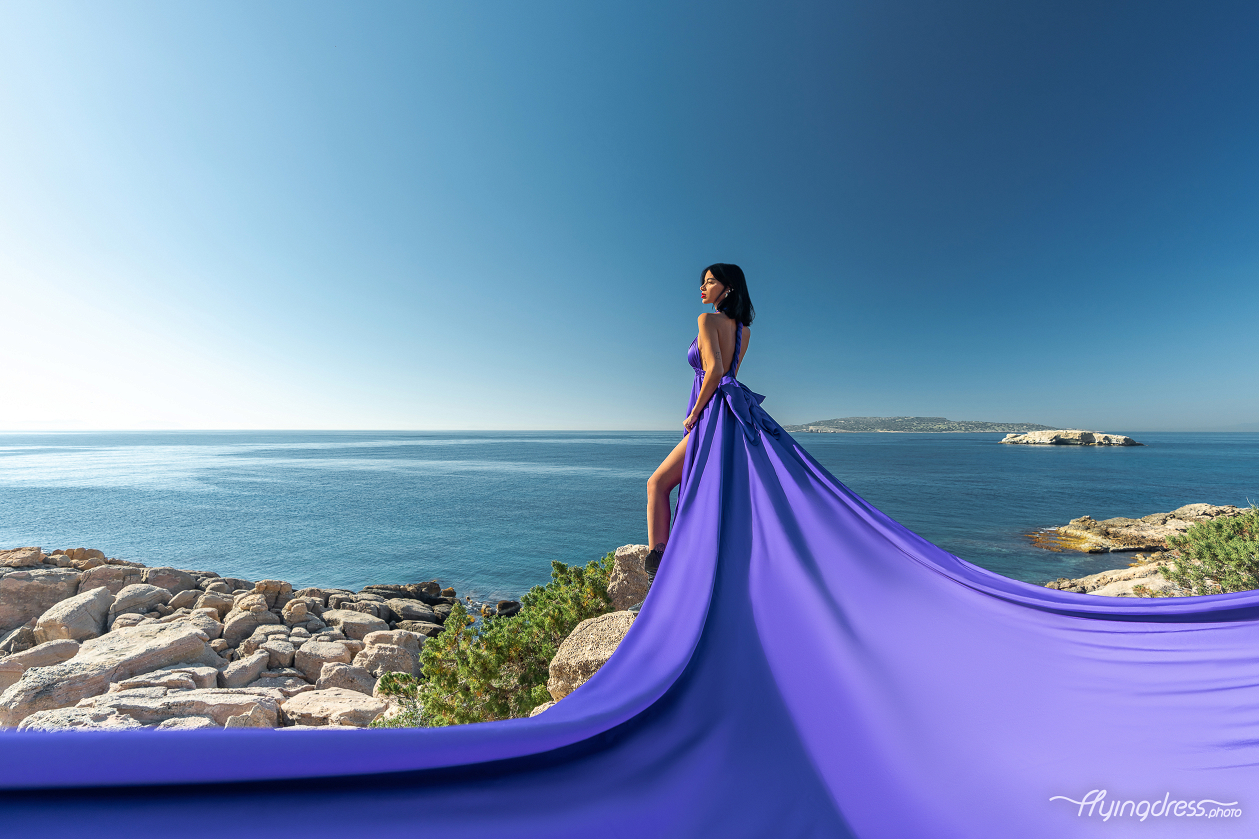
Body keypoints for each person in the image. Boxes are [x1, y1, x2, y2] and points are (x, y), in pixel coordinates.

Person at [634, 263, 754, 611]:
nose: (702, 288)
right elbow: (731, 372)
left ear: (728, 288)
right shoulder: (744, 331)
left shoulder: (706, 321)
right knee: (707, 496)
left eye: (710, 282)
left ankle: (659, 585)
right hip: (734, 414)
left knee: (657, 485)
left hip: (712, 413)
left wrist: (695, 412)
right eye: (702, 282)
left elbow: (714, 371)